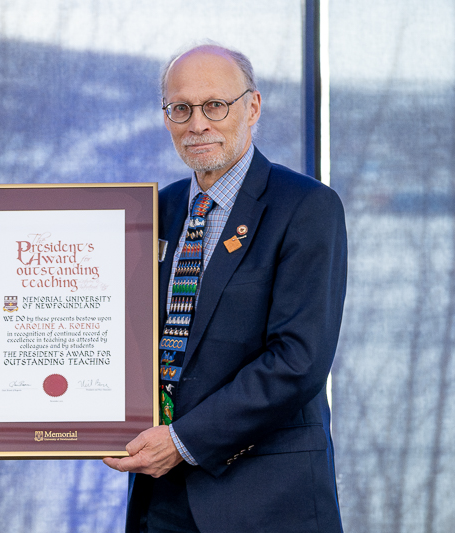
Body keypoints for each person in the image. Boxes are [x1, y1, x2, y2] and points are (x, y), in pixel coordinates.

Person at [103, 44, 347, 532]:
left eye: (215, 105)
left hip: (265, 499)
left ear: (252, 107)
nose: (197, 124)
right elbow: (105, 319)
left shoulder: (305, 207)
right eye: (181, 108)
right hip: (159, 499)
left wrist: (183, 441)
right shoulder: (156, 210)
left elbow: (298, 360)